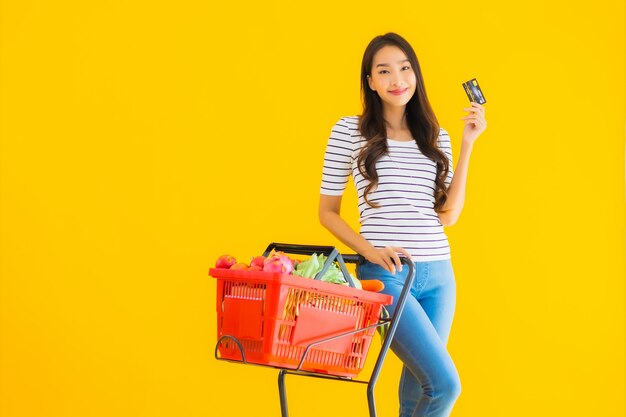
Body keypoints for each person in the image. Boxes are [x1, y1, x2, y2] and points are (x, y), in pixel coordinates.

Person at [318, 32, 487, 417]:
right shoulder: (349, 131)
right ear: (371, 81)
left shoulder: (436, 137)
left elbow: (448, 216)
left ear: (416, 74)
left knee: (417, 393)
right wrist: (369, 251)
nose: (398, 79)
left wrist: (467, 145)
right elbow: (327, 211)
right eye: (385, 71)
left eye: (405, 68)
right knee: (444, 385)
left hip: (440, 275)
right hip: (387, 274)